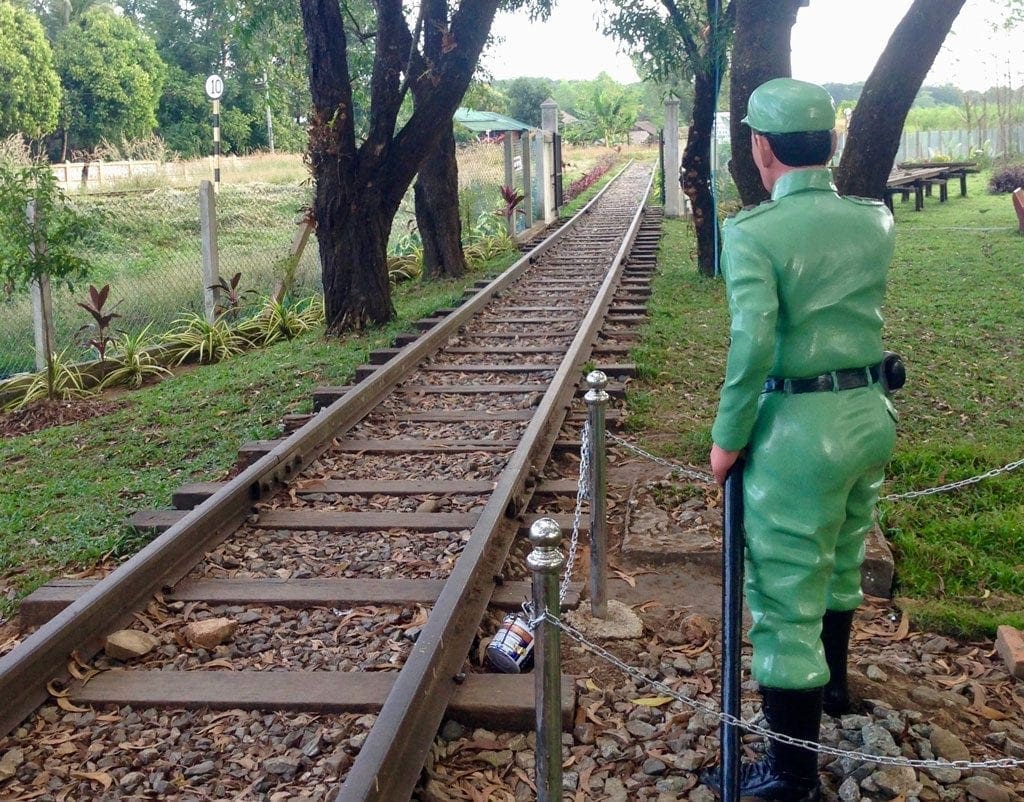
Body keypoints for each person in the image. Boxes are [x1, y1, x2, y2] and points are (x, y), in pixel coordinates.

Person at [703, 78, 899, 801]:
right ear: (831, 143)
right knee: (842, 555)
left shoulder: (753, 233)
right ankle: (835, 689)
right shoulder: (874, 220)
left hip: (798, 435)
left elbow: (752, 342)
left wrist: (728, 438)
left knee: (787, 595)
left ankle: (788, 774)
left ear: (760, 146)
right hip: (868, 414)